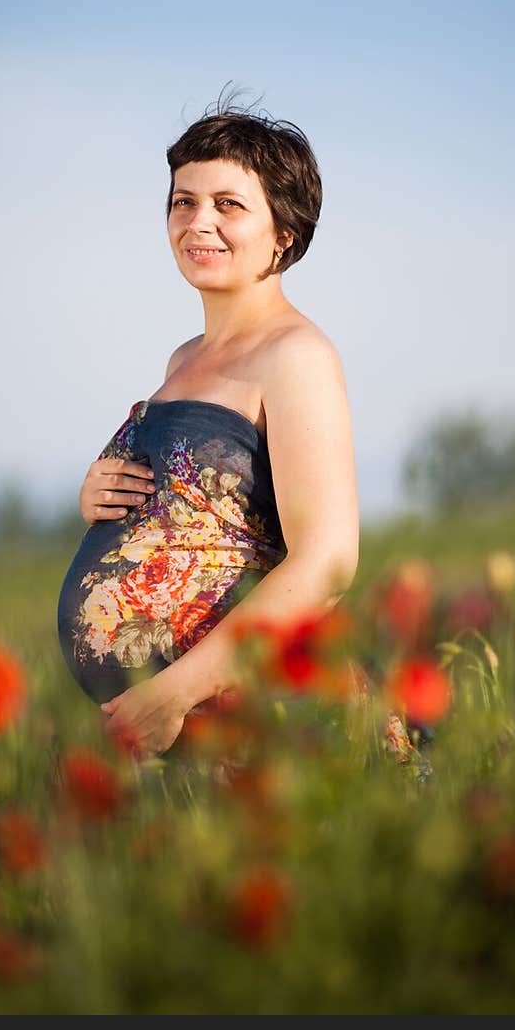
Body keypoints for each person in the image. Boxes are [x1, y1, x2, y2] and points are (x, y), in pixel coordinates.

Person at [57, 86, 360, 760]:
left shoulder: (295, 356)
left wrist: (173, 693)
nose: (198, 222)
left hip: (268, 726)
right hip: (195, 742)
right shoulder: (183, 358)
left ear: (283, 232)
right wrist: (98, 500)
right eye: (183, 202)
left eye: (228, 205)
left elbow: (328, 564)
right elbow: (204, 509)